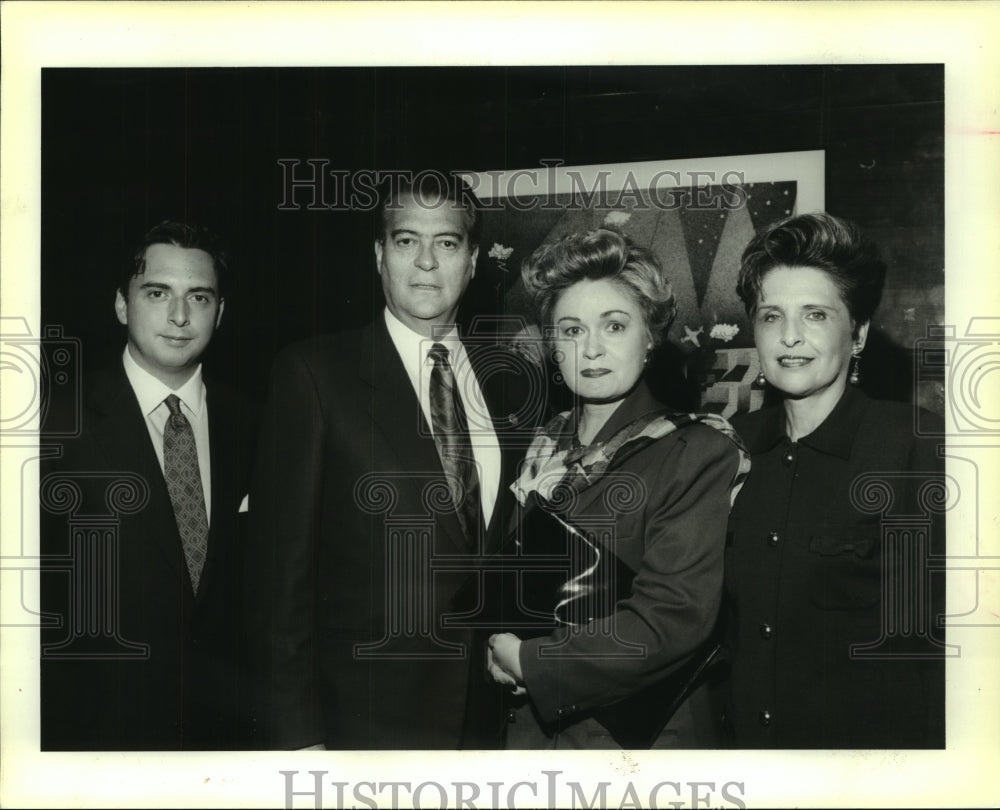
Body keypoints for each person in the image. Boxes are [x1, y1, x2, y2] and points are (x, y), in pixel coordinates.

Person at [245, 173, 542, 750]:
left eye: (448, 243)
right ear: (378, 255)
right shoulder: (313, 374)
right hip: (360, 724)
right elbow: (278, 582)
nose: (427, 262)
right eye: (406, 240)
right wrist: (298, 740)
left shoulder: (511, 383)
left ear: (474, 259)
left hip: (485, 721)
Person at [487, 228, 750, 749]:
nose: (592, 349)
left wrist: (529, 662)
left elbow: (673, 618)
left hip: (635, 744)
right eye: (571, 329)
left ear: (650, 336)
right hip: (526, 737)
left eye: (614, 325)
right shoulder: (537, 447)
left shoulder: (695, 452)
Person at [723, 212, 946, 748]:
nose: (790, 336)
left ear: (860, 333)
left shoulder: (920, 450)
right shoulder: (727, 447)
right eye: (771, 316)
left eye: (816, 314)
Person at [40, 220, 255, 750]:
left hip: (229, 741)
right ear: (121, 305)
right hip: (96, 742)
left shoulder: (260, 426)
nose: (180, 316)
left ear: (220, 312)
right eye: (157, 293)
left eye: (199, 297)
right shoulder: (53, 427)